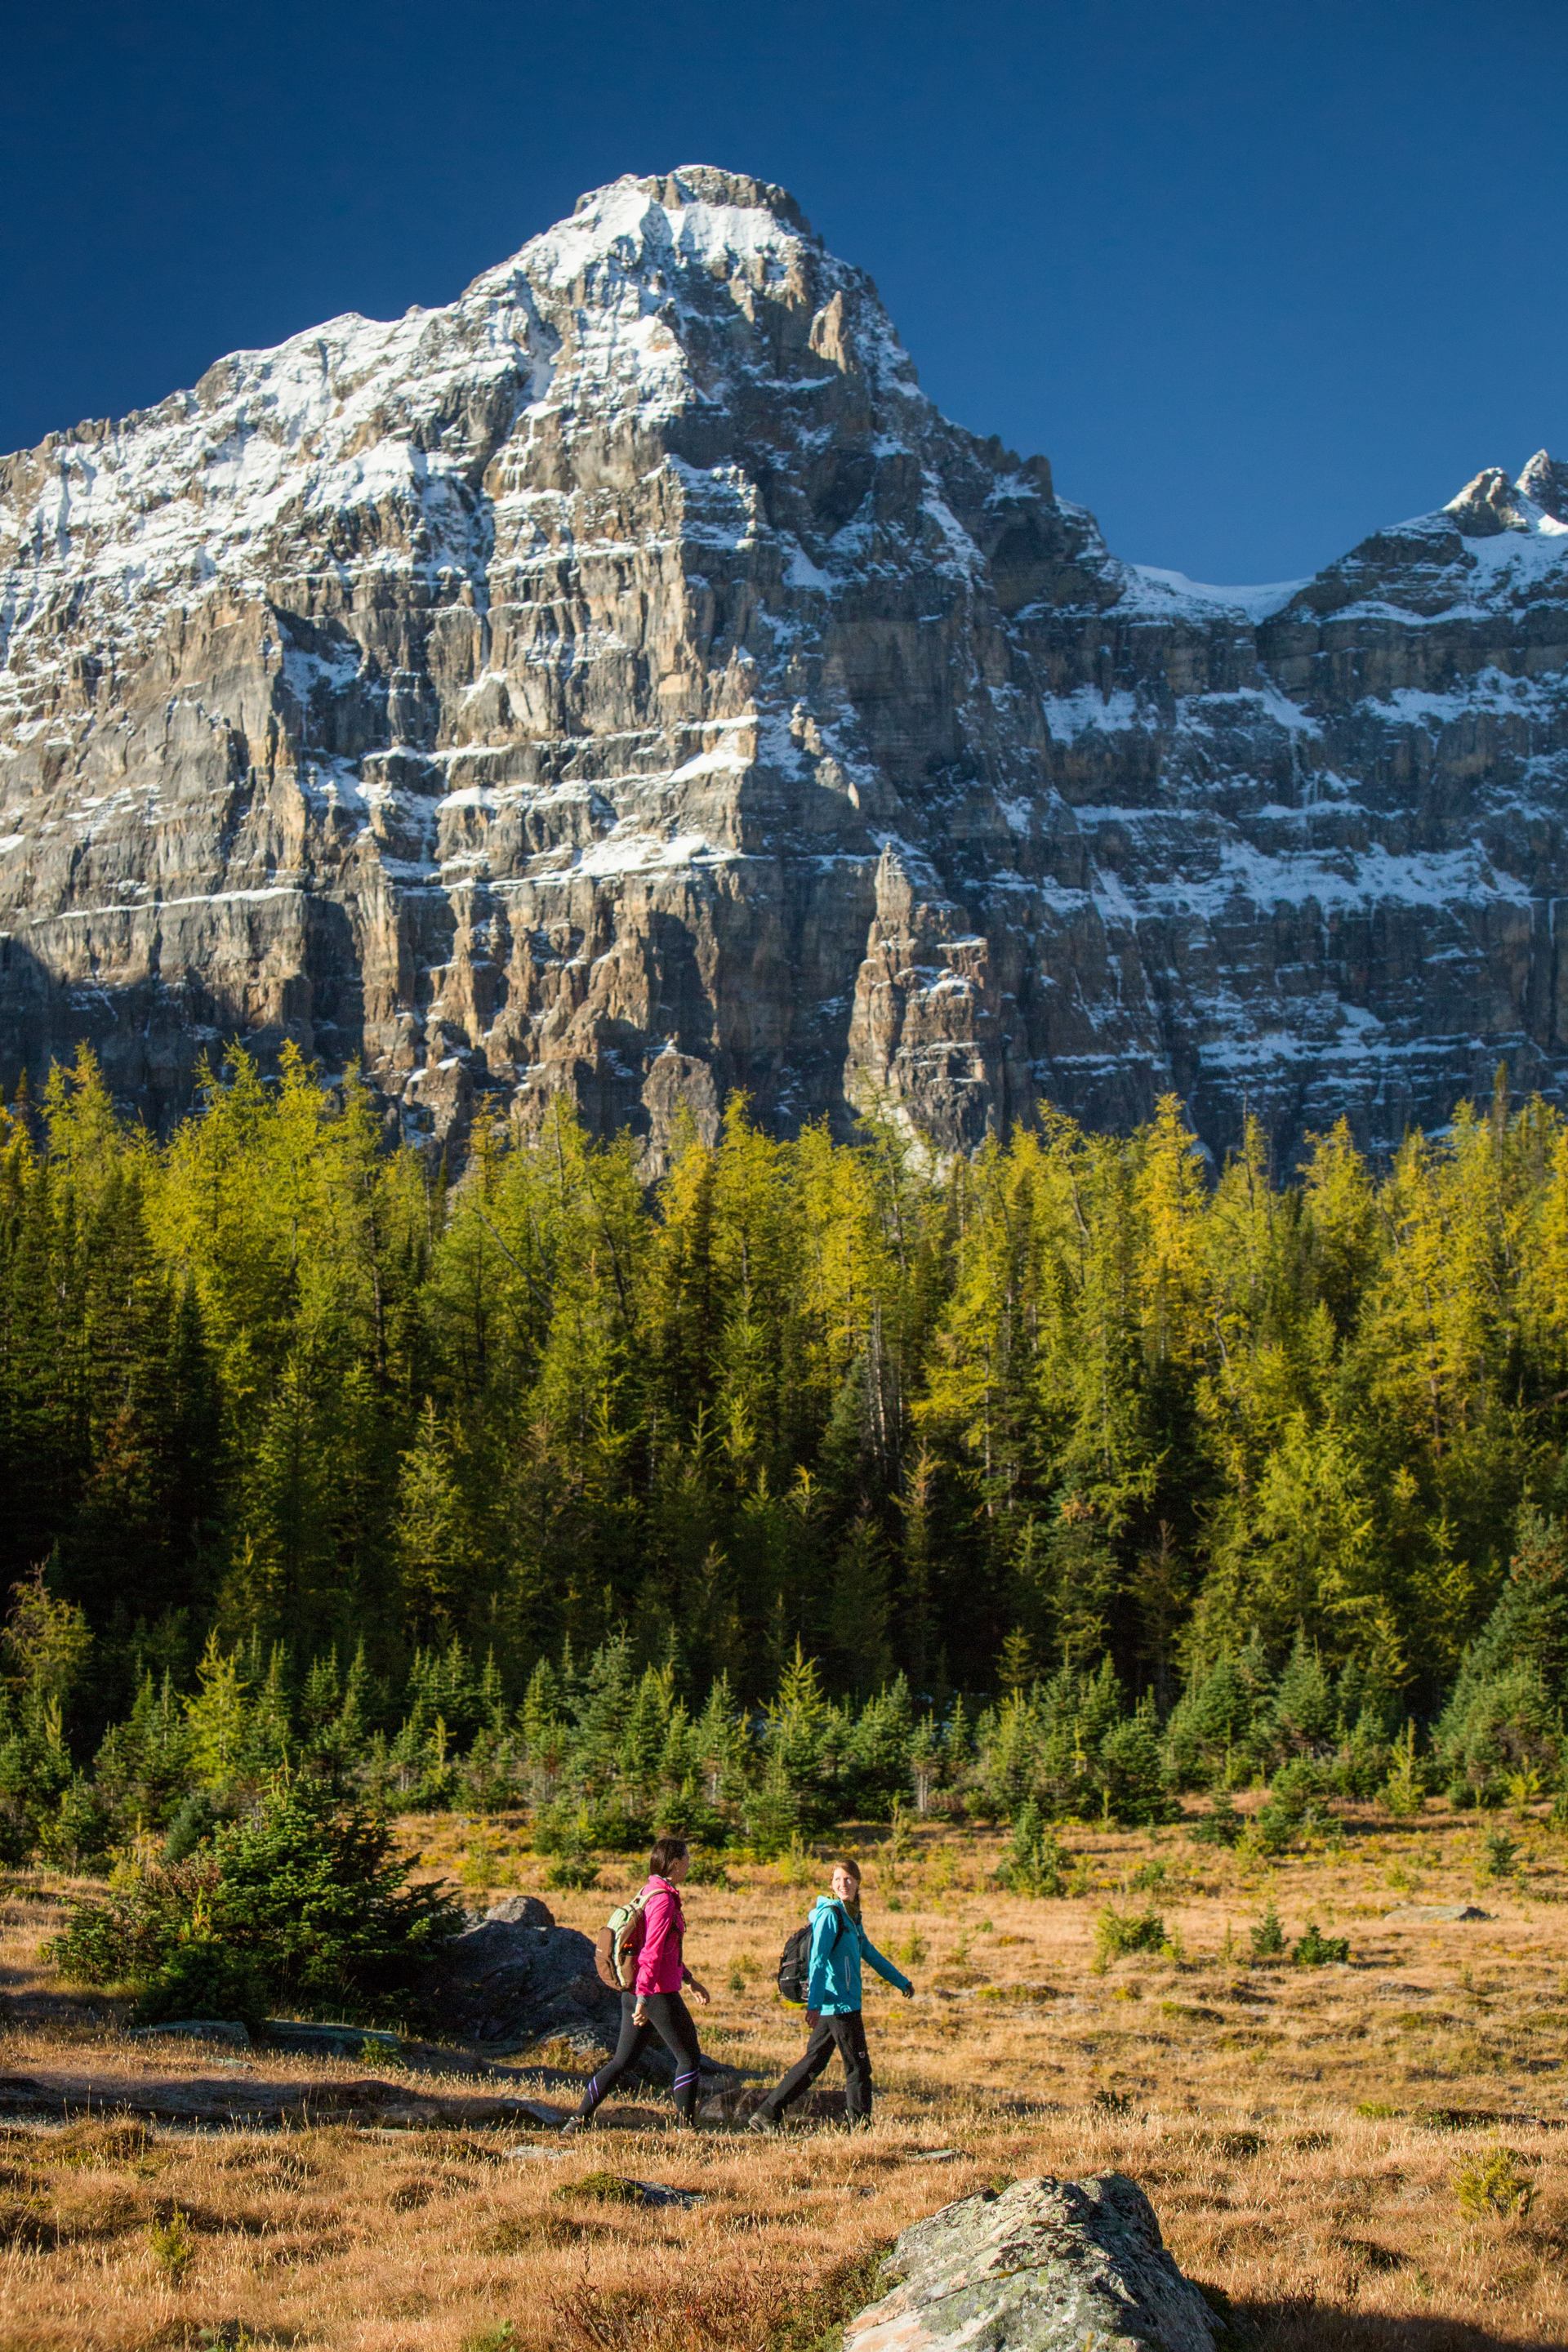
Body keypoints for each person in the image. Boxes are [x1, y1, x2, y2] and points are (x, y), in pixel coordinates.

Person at [748, 1856, 912, 2133]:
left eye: (848, 1879)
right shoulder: (830, 1915)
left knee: (813, 2063)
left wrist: (901, 1981)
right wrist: (813, 2005)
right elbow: (818, 1960)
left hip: (839, 2003)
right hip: (838, 2004)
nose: (843, 1884)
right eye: (837, 1879)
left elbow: (870, 1953)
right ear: (831, 1885)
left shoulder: (852, 1918)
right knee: (858, 2067)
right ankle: (860, 2127)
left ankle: (767, 2113)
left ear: (858, 1882)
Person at [563, 1833, 710, 2132]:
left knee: (622, 2062)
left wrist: (690, 1980)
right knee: (689, 2058)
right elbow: (652, 1952)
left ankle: (578, 2120)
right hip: (655, 1994)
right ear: (677, 1863)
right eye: (687, 1859)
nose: (690, 1864)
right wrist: (645, 1998)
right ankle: (685, 2128)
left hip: (636, 1991)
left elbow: (664, 1951)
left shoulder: (648, 1891)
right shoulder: (664, 1901)